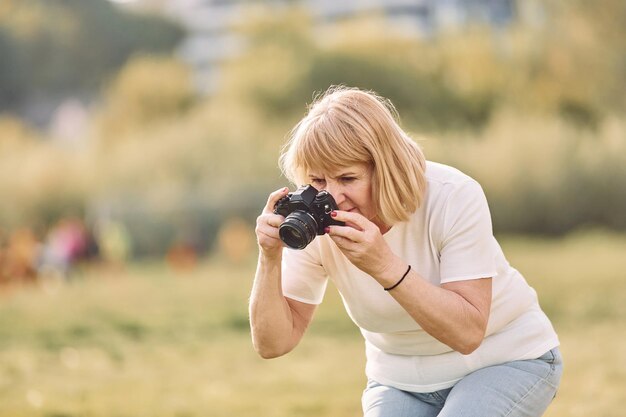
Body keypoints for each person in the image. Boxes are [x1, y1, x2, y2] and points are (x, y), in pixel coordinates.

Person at [249, 86, 562, 417]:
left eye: (347, 178)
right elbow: (273, 345)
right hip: (400, 380)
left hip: (505, 359)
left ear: (385, 168)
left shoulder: (452, 196)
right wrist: (269, 257)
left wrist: (384, 266)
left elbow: (468, 334)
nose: (332, 197)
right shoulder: (315, 220)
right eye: (318, 180)